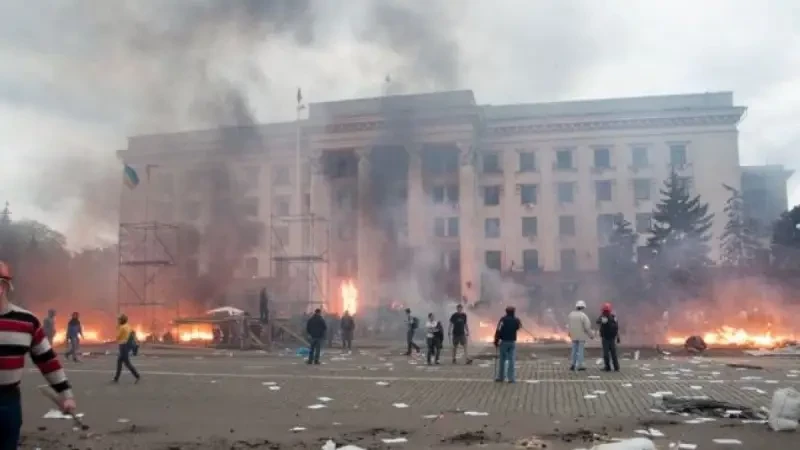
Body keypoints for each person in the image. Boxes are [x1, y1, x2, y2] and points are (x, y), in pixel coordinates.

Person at [0, 261, 76, 449]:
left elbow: (47, 361)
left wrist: (66, 394)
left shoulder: (27, 322)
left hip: (8, 402)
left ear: (4, 286)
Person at [493, 306, 521, 383]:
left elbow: (498, 330)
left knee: (502, 360)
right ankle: (511, 379)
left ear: (506, 312)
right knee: (511, 360)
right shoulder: (516, 320)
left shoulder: (503, 320)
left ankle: (501, 377)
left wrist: (496, 340)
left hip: (504, 342)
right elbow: (518, 327)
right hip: (512, 342)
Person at [113, 314, 141, 383]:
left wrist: (118, 327)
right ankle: (116, 378)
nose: (118, 321)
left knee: (127, 363)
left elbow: (118, 337)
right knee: (119, 361)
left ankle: (137, 376)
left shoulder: (122, 327)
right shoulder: (127, 326)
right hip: (125, 345)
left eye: (119, 319)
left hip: (123, 346)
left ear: (122, 320)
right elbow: (133, 332)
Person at [567, 300, 594, 372]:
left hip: (573, 336)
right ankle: (580, 365)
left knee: (574, 350)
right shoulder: (583, 316)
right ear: (583, 307)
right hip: (581, 336)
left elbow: (569, 325)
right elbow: (587, 327)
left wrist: (569, 333)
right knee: (580, 351)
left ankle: (573, 364)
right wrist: (591, 335)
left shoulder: (571, 315)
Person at [596, 303, 620, 372]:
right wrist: (601, 320)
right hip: (605, 338)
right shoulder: (602, 317)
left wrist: (618, 336)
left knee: (613, 353)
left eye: (606, 311)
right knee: (607, 354)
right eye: (604, 311)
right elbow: (597, 321)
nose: (605, 312)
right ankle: (608, 367)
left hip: (611, 338)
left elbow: (616, 328)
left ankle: (616, 367)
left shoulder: (613, 317)